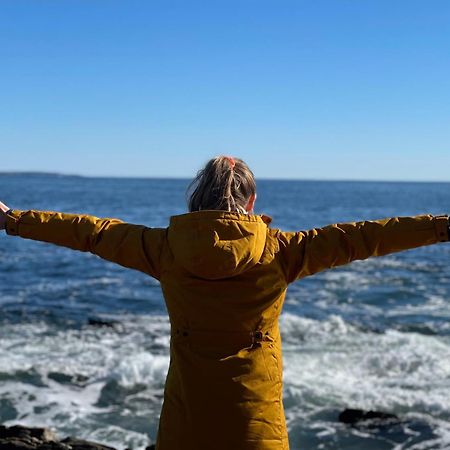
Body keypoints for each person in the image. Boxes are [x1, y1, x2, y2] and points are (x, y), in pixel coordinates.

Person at [0, 155, 449, 450]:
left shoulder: (163, 248)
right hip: (256, 423)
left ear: (195, 201)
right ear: (251, 201)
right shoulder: (284, 249)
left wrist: (13, 220)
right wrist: (441, 226)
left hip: (185, 423)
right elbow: (367, 236)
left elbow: (90, 231)